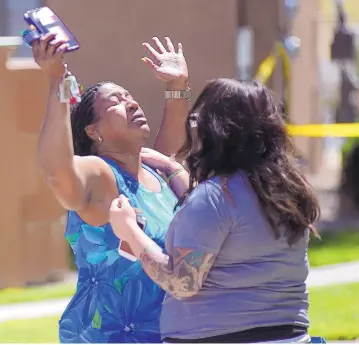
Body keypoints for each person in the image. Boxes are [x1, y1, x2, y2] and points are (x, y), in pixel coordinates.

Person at [109, 78, 322, 343]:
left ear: (215, 130)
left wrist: (129, 230)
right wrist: (171, 167)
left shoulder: (216, 196)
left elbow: (182, 282)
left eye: (196, 121)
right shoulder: (288, 189)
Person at [32, 33, 190, 343]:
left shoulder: (157, 172)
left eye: (130, 97)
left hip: (169, 334)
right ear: (94, 131)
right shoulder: (102, 175)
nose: (130, 102)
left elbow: (175, 145)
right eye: (116, 102)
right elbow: (58, 173)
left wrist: (177, 84)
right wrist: (56, 84)